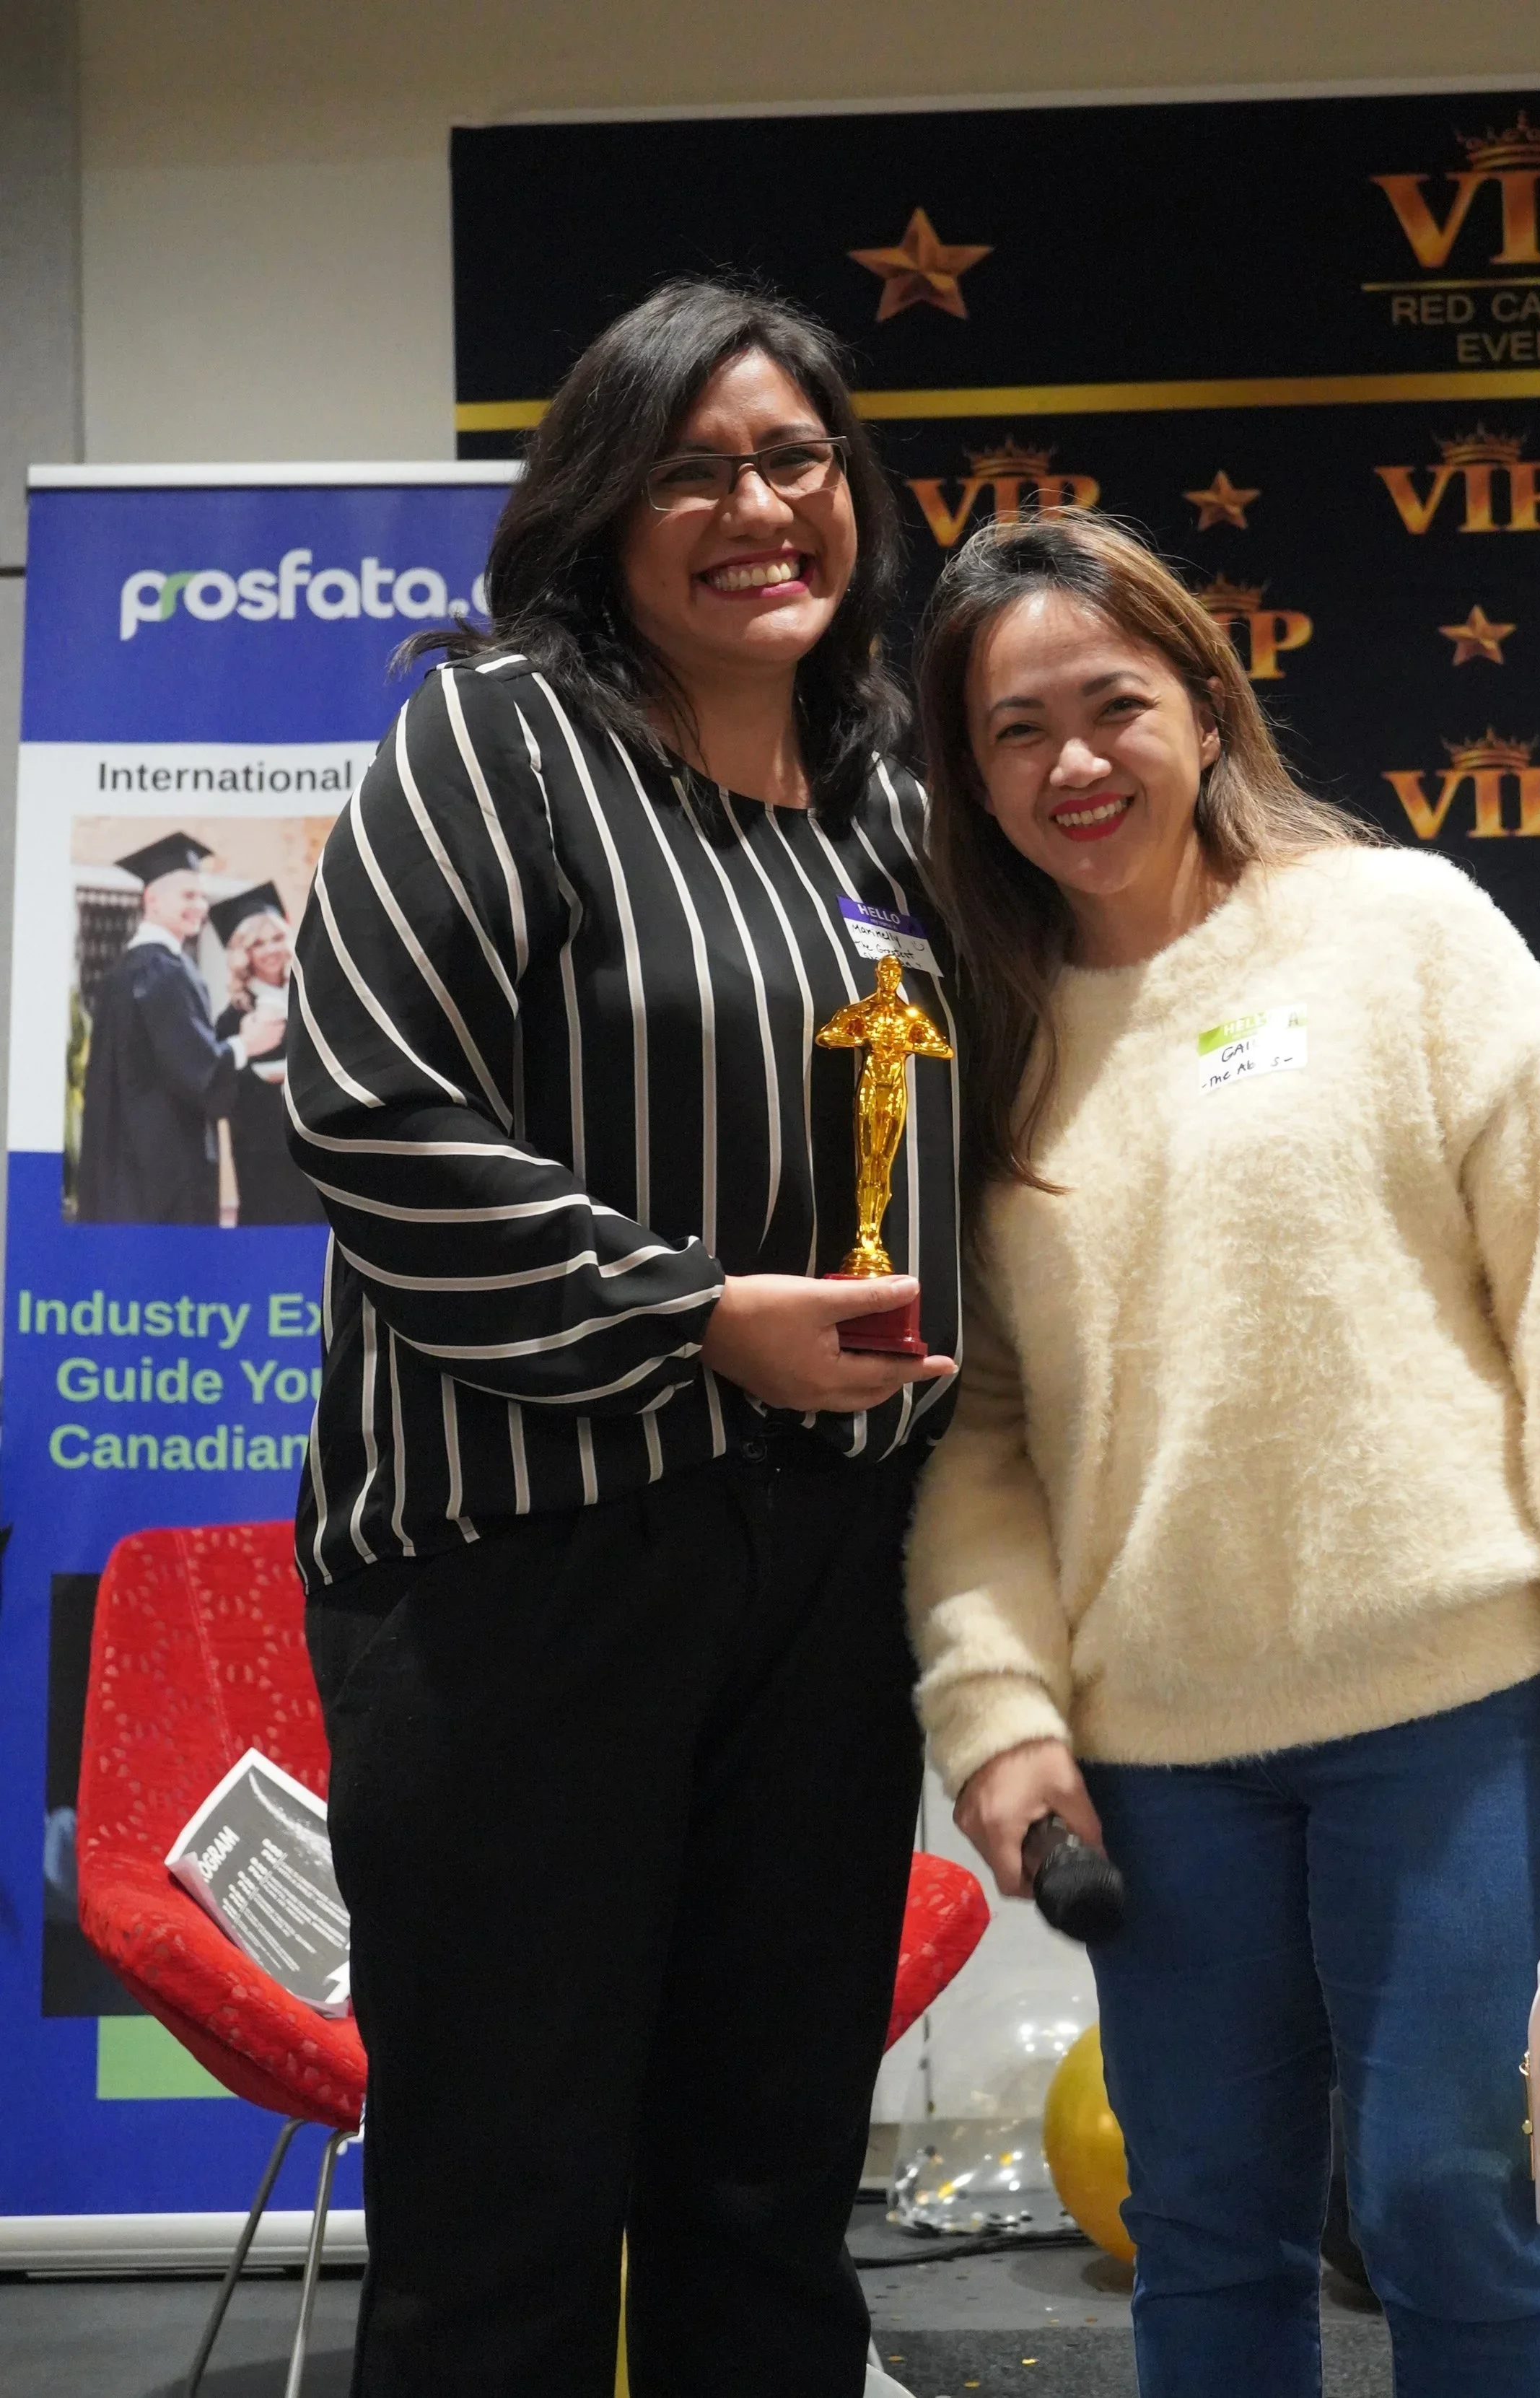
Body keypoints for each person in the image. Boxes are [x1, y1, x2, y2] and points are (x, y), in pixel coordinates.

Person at [904, 512, 1540, 2398]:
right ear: (968, 773)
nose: (1072, 762)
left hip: (1448, 1708)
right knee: (1202, 2226)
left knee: (1446, 2197)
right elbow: (991, 1430)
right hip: (1156, 1756)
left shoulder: (1402, 932)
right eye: (1013, 731)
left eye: (1110, 703)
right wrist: (1000, 1710)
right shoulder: (984, 1038)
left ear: (1202, 699)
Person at [286, 278, 962, 2398]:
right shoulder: (500, 738)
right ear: (600, 506)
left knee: (767, 2210)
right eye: (690, 468)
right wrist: (694, 1321)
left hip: (830, 1583)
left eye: (791, 459)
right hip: (524, 1575)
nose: (754, 506)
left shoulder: (884, 805)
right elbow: (371, 1118)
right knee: (505, 2221)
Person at [76, 832, 284, 1222]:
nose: (200, 907)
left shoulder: (125, 970)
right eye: (187, 896)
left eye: (202, 897)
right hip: (163, 1173)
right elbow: (196, 1073)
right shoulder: (164, 972)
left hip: (125, 1164)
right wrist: (246, 1045)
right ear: (151, 899)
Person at [210, 883, 320, 1225]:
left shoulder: (311, 999)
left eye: (275, 938)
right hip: (263, 1155)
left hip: (316, 1147)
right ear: (244, 955)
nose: (271, 950)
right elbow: (225, 1090)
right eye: (258, 944)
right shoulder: (233, 1018)